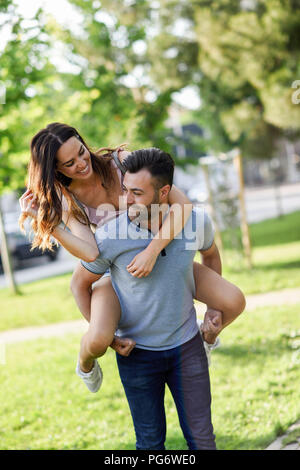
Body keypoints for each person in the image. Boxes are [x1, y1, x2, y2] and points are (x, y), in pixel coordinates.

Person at [19, 123, 245, 384]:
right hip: (116, 272)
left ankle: (203, 340)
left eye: (81, 152)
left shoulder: (121, 161)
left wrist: (152, 250)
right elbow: (91, 253)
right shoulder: (69, 198)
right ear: (56, 169)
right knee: (100, 340)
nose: (81, 163)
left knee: (232, 301)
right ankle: (84, 363)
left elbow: (182, 204)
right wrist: (51, 225)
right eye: (69, 163)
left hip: (160, 256)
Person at [70, 147, 233, 450]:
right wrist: (107, 336)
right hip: (137, 356)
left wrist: (212, 309)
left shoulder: (195, 222)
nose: (126, 201)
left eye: (137, 193)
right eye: (125, 190)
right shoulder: (110, 236)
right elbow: (79, 285)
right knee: (149, 444)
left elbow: (210, 255)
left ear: (164, 192)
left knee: (202, 439)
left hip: (187, 347)